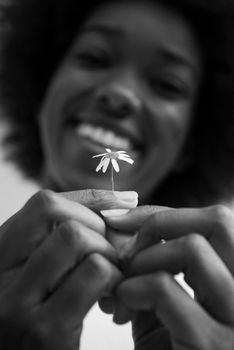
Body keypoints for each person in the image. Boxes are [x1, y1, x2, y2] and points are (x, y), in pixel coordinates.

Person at [0, 0, 234, 348]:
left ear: (190, 146)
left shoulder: (198, 317)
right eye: (95, 58)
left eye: (167, 85)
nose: (119, 94)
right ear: (42, 87)